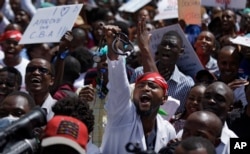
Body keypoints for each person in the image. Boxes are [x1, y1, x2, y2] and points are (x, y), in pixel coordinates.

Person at [100, 18, 176, 154]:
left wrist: (145, 49)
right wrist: (113, 46)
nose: (146, 88)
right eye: (140, 86)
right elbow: (118, 85)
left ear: (164, 99)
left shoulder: (168, 130)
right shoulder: (122, 114)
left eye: (152, 86)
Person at [130, 29, 195, 114]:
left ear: (181, 52)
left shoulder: (186, 85)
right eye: (164, 44)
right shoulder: (139, 73)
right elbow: (129, 101)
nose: (167, 48)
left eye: (172, 46)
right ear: (158, 48)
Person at [200, 81, 238, 154]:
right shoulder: (186, 132)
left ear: (230, 109)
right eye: (207, 97)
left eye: (219, 99)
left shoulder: (236, 143)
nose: (211, 101)